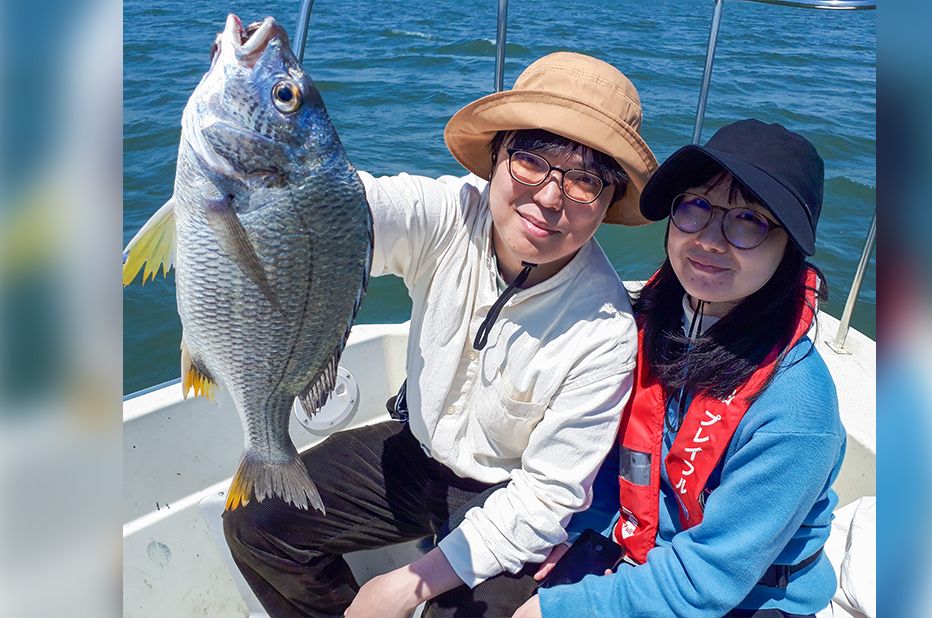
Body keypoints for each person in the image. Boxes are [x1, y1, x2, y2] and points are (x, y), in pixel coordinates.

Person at [223, 51, 658, 617]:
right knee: (256, 522)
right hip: (414, 452)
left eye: (586, 183)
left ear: (607, 205)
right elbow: (347, 209)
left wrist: (405, 584)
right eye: (531, 161)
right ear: (497, 159)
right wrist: (244, 163)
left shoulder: (606, 331)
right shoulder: (448, 214)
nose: (551, 198)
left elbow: (546, 496)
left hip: (506, 497)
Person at [513, 119, 846, 618]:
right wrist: (584, 536)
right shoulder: (651, 324)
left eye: (750, 221)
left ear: (789, 251)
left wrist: (557, 610)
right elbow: (610, 459)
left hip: (748, 599)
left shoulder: (798, 412)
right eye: (696, 207)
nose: (710, 240)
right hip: (633, 549)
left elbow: (706, 581)